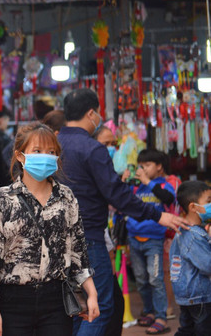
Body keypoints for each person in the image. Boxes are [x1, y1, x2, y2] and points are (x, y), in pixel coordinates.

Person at [57, 88, 187, 335]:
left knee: (74, 304)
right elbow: (117, 194)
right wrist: (158, 215)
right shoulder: (91, 148)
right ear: (92, 113)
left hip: (57, 239)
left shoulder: (54, 143)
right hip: (88, 238)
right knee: (101, 306)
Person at [0, 122, 99, 336]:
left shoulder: (66, 197)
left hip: (56, 299)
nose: (46, 156)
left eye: (51, 152)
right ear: (20, 156)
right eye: (37, 151)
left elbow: (78, 251)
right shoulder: (2, 198)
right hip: (13, 301)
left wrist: (92, 294)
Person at [127, 149, 176, 334]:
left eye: (146, 165)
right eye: (141, 166)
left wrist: (147, 182)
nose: (142, 169)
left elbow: (169, 199)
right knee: (141, 280)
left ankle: (161, 317)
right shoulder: (136, 186)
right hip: (134, 238)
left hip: (154, 240)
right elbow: (123, 199)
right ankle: (148, 311)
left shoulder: (164, 185)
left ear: (159, 167)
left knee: (155, 279)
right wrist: (125, 181)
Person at [92, 126, 125, 336]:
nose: (110, 149)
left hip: (102, 246)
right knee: (102, 310)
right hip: (94, 248)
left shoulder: (108, 171)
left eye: (114, 144)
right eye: (105, 144)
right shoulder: (90, 172)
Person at [169, 180, 211, 336]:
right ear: (193, 207)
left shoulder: (183, 230)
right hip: (200, 297)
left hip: (187, 296)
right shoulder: (194, 235)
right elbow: (208, 265)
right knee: (203, 330)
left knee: (187, 330)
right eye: (208, 201)